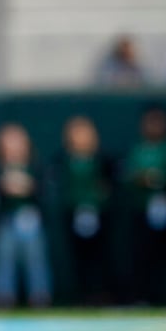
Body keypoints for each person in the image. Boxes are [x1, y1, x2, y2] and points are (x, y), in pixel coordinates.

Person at [47, 115, 115, 306]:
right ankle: (82, 296)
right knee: (78, 259)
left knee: (100, 258)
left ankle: (102, 295)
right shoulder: (62, 160)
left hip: (99, 215)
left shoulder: (102, 159)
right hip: (73, 214)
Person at [121, 105, 166, 305]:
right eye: (150, 121)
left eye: (159, 121)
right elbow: (130, 174)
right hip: (143, 209)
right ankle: (141, 297)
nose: (155, 126)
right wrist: (142, 178)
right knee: (141, 255)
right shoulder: (138, 148)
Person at [0, 123, 52, 309]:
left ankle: (40, 297)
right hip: (6, 222)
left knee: (36, 259)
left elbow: (44, 193)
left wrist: (28, 187)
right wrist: (4, 187)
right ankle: (4, 298)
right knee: (4, 260)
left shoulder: (35, 166)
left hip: (31, 220)